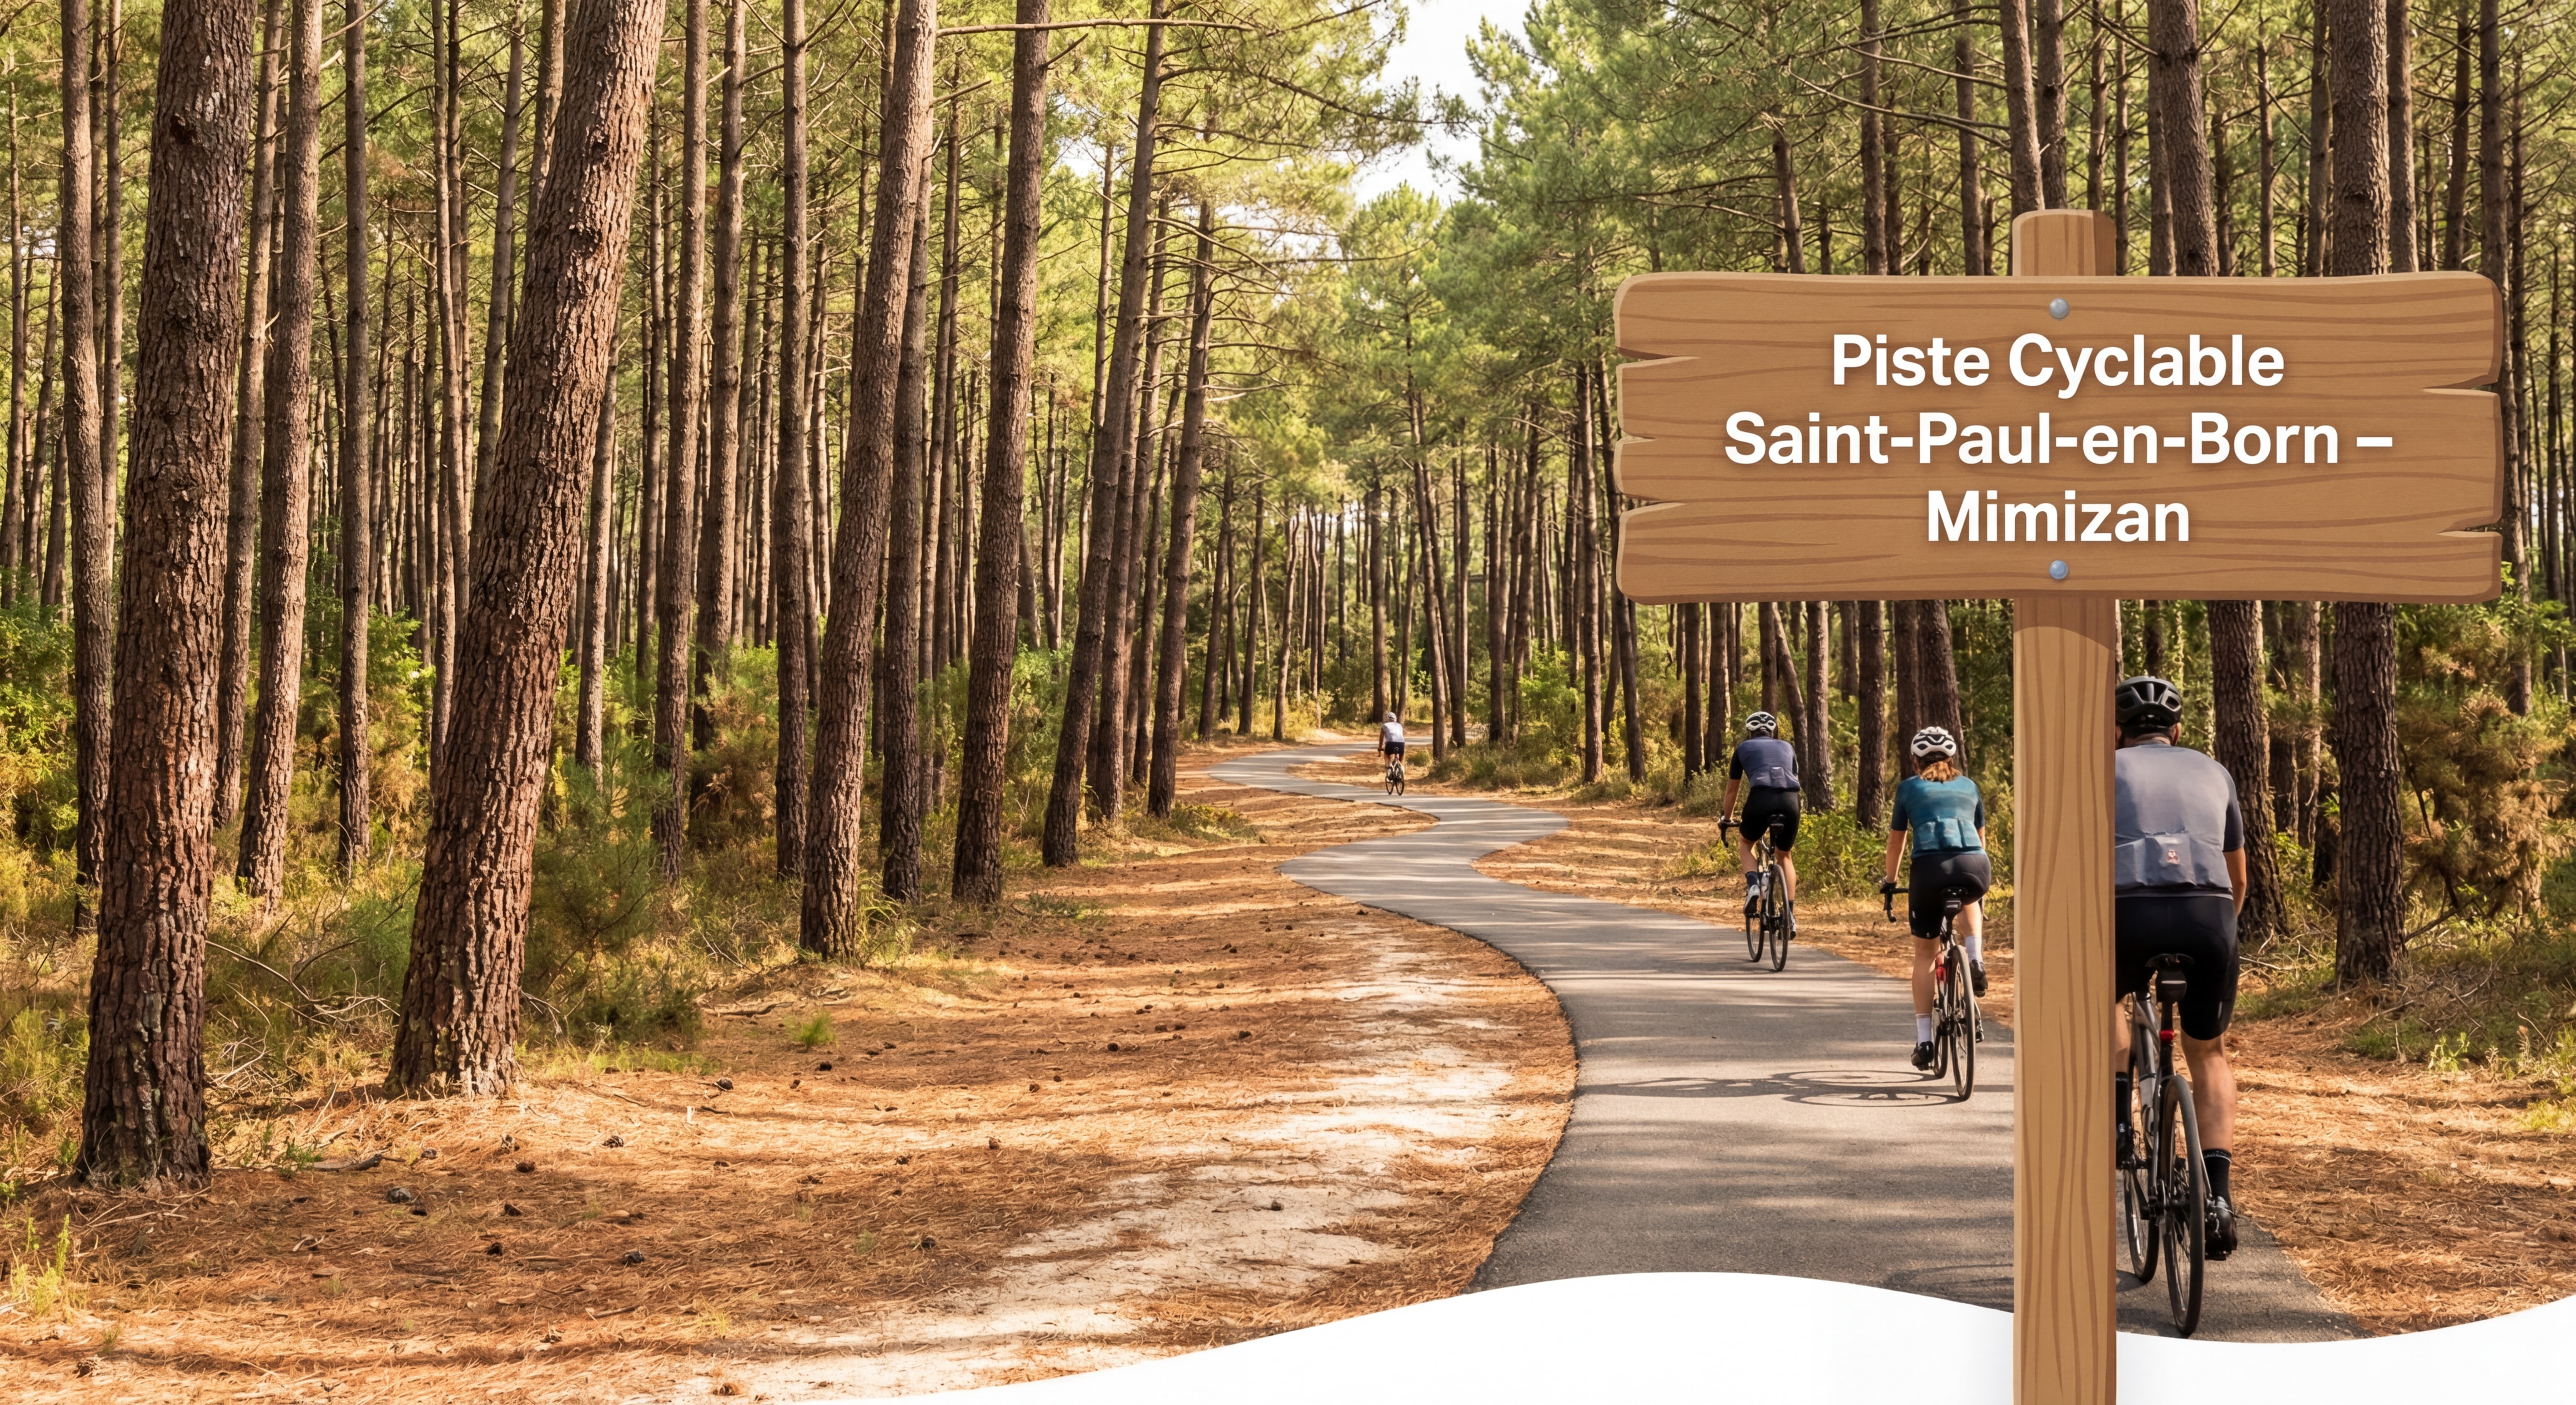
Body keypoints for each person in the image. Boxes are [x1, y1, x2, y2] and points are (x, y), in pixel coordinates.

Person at [2111, 674, 2249, 1260]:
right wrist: (2217, 931)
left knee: (2103, 1003)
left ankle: (2119, 1122)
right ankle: (2216, 1199)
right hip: (2207, 914)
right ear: (2177, 731)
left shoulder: (2101, 771)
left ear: (2116, 732)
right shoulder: (2214, 771)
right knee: (2207, 1053)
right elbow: (2238, 877)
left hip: (2128, 911)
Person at [1878, 726, 1990, 1072]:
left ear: (1916, 760)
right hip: (1974, 864)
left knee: (1925, 952)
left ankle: (1925, 1042)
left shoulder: (1909, 788)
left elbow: (1897, 843)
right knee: (1969, 898)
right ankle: (1976, 959)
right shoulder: (1969, 785)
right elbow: (1980, 839)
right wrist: (1978, 883)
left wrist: (1891, 882)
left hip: (1929, 869)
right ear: (1952, 759)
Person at [1721, 712, 1801, 925]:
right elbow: (1793, 776)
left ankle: (1754, 885)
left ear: (1750, 732)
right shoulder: (1788, 747)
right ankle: (1790, 916)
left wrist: (1726, 819)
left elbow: (1732, 790)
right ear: (1772, 732)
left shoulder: (1742, 749)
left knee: (1746, 843)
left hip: (1760, 798)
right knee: (1785, 857)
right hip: (1791, 801)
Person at [1378, 710, 1406, 775]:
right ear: (1395, 719)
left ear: (1387, 719)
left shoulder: (1385, 725)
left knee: (1387, 754)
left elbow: (1381, 738)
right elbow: (1400, 736)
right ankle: (1402, 768)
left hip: (1390, 743)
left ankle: (1389, 767)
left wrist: (1380, 747)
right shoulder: (1400, 726)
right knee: (1402, 757)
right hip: (1401, 743)